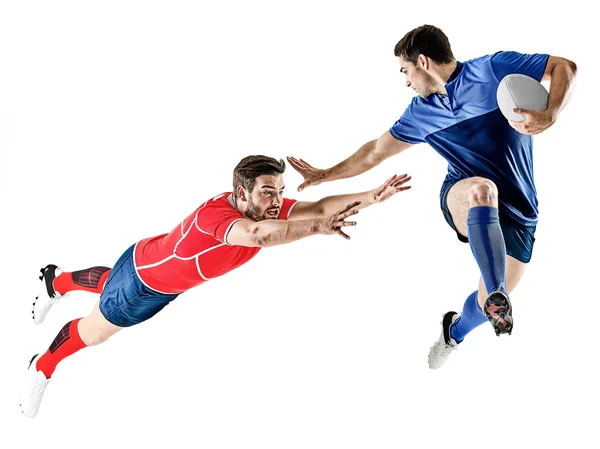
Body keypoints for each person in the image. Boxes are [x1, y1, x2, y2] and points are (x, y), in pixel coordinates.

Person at [19, 155, 412, 417]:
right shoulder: (222, 219)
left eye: (278, 190)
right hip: (143, 285)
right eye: (267, 191)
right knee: (94, 333)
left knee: (109, 282)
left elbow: (319, 207)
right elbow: (258, 235)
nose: (277, 200)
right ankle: (43, 364)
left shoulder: (259, 205)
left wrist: (371, 197)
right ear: (241, 194)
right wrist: (317, 230)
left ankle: (54, 280)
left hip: (148, 260)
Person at [286, 25, 577, 369]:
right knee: (484, 191)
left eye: (405, 71)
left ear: (422, 61)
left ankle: (454, 331)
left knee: (485, 308)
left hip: (521, 210)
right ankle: (497, 292)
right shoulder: (420, 114)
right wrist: (324, 174)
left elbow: (564, 67)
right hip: (463, 193)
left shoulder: (492, 69)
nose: (406, 81)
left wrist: (551, 112)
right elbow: (373, 153)